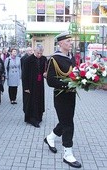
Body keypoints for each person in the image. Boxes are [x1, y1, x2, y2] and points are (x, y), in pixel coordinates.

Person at [45, 32, 81, 168]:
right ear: (60, 43)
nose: (70, 43)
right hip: (60, 96)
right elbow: (50, 80)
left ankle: (50, 138)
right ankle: (68, 153)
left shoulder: (71, 58)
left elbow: (75, 73)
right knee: (68, 124)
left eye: (70, 41)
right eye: (68, 41)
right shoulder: (54, 59)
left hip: (71, 95)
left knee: (65, 121)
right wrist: (68, 84)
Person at [22, 45, 47, 128]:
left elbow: (45, 70)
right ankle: (32, 118)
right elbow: (24, 75)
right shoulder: (28, 60)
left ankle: (39, 116)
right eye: (38, 53)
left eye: (41, 53)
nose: (39, 55)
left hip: (40, 84)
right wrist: (26, 88)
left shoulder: (43, 59)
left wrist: (45, 74)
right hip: (30, 84)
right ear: (34, 51)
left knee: (39, 99)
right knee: (31, 101)